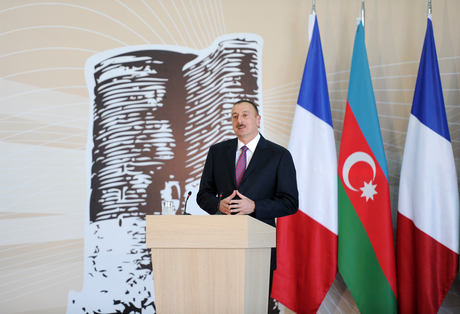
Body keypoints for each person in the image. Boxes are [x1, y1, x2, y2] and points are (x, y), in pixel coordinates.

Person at [196, 99, 299, 298]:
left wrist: (254, 206)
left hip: (259, 246)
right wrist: (218, 204)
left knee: (254, 303)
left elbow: (290, 202)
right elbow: (203, 195)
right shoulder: (217, 152)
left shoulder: (279, 155)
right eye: (234, 116)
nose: (239, 120)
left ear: (258, 119)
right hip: (221, 244)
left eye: (245, 115)